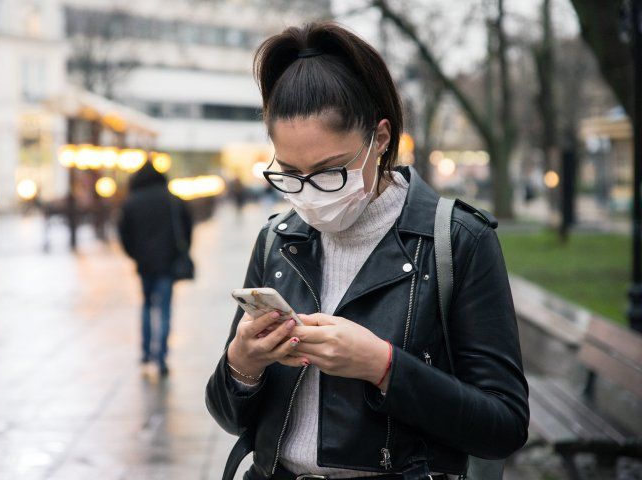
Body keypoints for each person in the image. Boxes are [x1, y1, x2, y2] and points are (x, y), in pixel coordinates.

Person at [205, 21, 529, 480]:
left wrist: (383, 367)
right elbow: (231, 420)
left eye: (329, 171)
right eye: (291, 174)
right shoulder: (278, 238)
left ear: (379, 139)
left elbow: (504, 427)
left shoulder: (456, 240)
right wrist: (241, 363)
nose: (310, 194)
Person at [118, 161, 193, 376]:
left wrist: (135, 255)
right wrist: (180, 252)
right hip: (167, 264)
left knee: (146, 306)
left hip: (144, 264)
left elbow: (123, 235)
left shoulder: (131, 202)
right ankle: (161, 357)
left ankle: (145, 352)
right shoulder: (172, 199)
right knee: (165, 308)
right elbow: (187, 229)